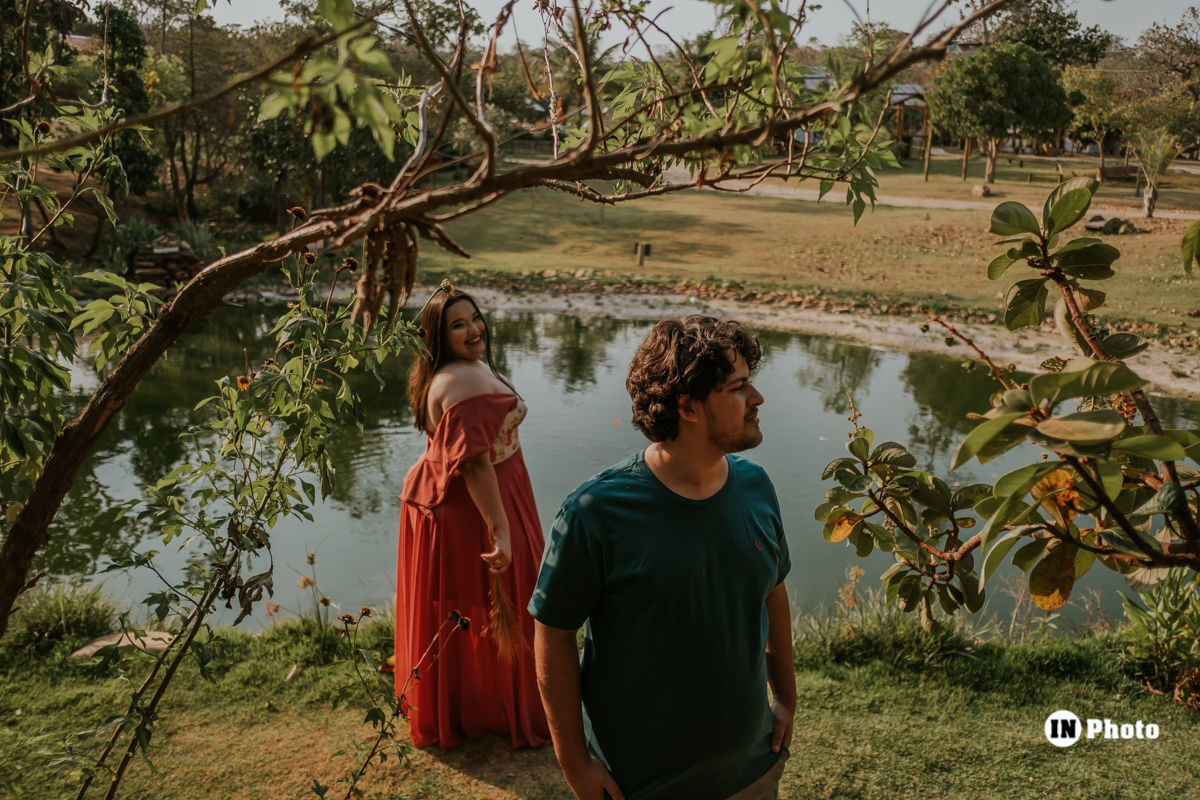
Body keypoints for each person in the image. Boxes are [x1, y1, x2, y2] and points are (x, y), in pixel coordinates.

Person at [529, 315, 795, 800]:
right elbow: (554, 631)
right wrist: (575, 763)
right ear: (688, 407)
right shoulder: (596, 513)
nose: (756, 400)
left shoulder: (757, 487)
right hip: (643, 786)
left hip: (753, 771)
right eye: (738, 388)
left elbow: (773, 591)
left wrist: (786, 700)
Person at [395, 287, 550, 749]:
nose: (474, 329)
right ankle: (496, 712)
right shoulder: (461, 383)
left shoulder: (457, 370)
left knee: (470, 607)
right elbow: (476, 463)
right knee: (500, 599)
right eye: (458, 325)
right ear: (439, 338)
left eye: (475, 318)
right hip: (475, 505)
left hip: (478, 496)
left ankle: (474, 706)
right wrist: (500, 530)